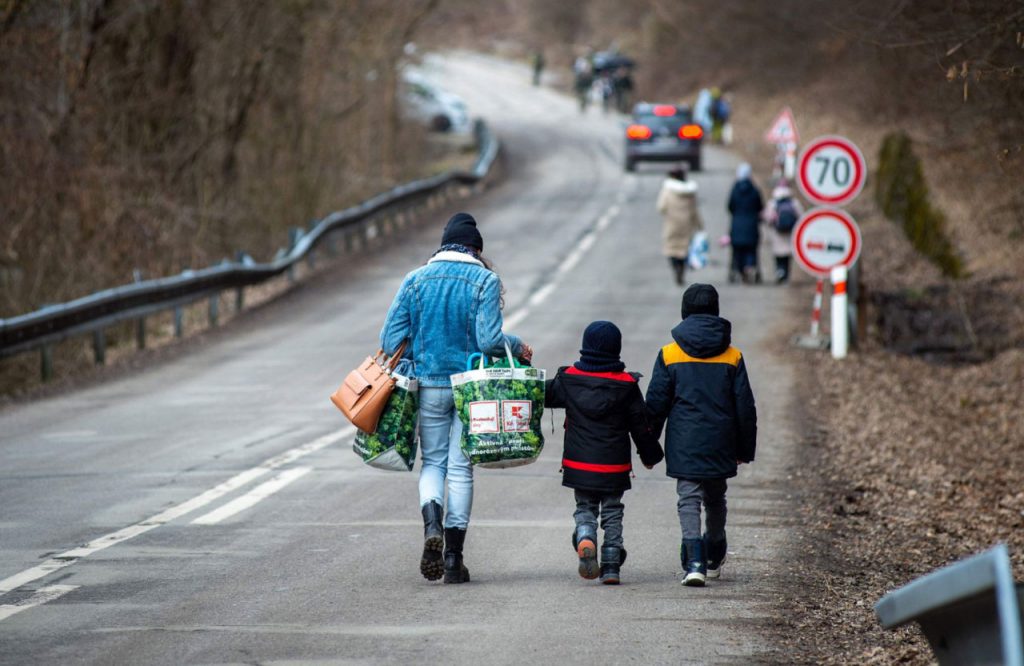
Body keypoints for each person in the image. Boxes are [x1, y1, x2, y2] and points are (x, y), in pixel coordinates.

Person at [380, 212, 533, 584]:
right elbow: (490, 343)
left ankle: (431, 524)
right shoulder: (484, 280)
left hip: (428, 385)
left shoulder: (414, 281)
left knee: (433, 463)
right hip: (471, 389)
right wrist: (516, 346)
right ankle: (453, 559)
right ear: (476, 249)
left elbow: (389, 342)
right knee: (462, 468)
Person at [645, 284, 757, 587]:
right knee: (716, 496)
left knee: (688, 498)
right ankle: (714, 550)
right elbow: (745, 407)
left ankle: (693, 560)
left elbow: (656, 404)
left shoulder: (669, 353)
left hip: (684, 440)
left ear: (684, 311)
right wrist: (744, 449)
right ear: (716, 311)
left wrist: (648, 446)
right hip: (722, 440)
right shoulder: (733, 356)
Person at [544, 321, 663, 585]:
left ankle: (586, 535)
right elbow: (641, 427)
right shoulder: (627, 386)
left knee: (585, 506)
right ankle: (611, 564)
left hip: (579, 464)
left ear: (585, 347)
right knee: (613, 511)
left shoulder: (569, 379)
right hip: (614, 466)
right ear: (616, 350)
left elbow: (541, 394)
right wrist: (651, 455)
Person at [656, 165, 704, 286]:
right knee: (684, 249)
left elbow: (661, 207)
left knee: (672, 249)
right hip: (687, 225)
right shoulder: (690, 192)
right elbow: (694, 210)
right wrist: (700, 226)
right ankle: (682, 270)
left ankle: (675, 268)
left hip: (672, 224)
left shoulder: (667, 191)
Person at [727, 163, 764, 284]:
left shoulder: (735, 190)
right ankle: (750, 267)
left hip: (737, 225)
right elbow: (760, 206)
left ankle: (741, 270)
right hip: (752, 225)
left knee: (738, 251)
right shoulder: (754, 190)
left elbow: (730, 207)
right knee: (751, 250)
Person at [762, 181, 802, 283]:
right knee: (787, 256)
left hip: (777, 233)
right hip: (790, 233)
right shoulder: (794, 202)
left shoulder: (773, 203)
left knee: (778, 254)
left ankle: (779, 271)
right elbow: (801, 217)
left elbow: (767, 218)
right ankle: (786, 274)